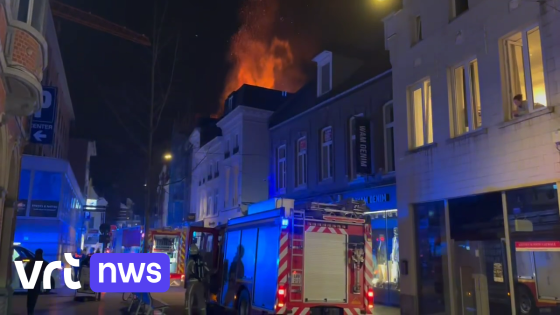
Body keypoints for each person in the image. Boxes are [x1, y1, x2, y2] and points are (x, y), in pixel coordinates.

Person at [185, 244, 209, 315]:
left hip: (192, 283)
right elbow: (207, 270)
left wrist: (187, 281)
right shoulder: (201, 260)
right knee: (201, 300)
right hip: (200, 283)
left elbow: (187, 272)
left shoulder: (190, 261)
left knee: (188, 300)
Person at [25, 249, 47, 315]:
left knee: (30, 297)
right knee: (34, 297)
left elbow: (26, 269)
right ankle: (31, 311)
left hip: (30, 281)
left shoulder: (31, 261)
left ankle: (29, 311)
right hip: (37, 282)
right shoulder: (42, 262)